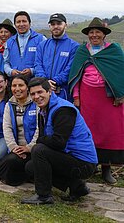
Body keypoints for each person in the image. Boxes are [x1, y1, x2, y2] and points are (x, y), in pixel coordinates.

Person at [21, 77, 98, 205]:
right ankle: (76, 187)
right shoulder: (43, 110)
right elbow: (47, 139)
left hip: (84, 163)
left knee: (39, 150)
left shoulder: (63, 110)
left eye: (40, 92)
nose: (36, 96)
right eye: (33, 94)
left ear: (49, 92)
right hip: (68, 157)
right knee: (31, 167)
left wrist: (40, 141)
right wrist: (41, 141)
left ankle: (43, 196)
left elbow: (59, 142)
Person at [68, 17, 124, 184]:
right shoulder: (82, 52)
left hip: (109, 100)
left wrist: (119, 94)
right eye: (91, 32)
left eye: (97, 32)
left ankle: (106, 169)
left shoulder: (114, 51)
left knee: (109, 133)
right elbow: (75, 76)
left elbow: (121, 74)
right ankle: (91, 167)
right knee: (89, 133)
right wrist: (76, 97)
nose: (94, 35)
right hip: (88, 100)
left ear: (104, 34)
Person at [0, 75, 38, 185]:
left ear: (27, 87)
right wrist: (14, 148)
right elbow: (7, 128)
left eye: (21, 85)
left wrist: (29, 148)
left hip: (34, 148)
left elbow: (40, 128)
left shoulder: (36, 103)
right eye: (14, 85)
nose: (17, 89)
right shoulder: (9, 105)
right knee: (10, 162)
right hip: (17, 149)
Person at [34, 13, 79, 100]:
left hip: (63, 93)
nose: (56, 26)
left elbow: (70, 69)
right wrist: (45, 81)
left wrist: (55, 81)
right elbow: (37, 65)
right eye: (53, 24)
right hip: (44, 91)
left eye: (59, 24)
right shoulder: (42, 45)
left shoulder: (74, 46)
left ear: (65, 25)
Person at [4, 11, 46, 78]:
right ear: (15, 25)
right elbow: (5, 62)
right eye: (18, 22)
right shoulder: (10, 42)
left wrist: (32, 71)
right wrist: (10, 71)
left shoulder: (41, 39)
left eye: (24, 21)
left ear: (29, 23)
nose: (21, 24)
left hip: (35, 81)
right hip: (16, 82)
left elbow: (46, 61)